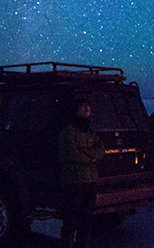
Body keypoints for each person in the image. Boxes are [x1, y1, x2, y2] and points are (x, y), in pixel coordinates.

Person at [59, 99, 105, 248]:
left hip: (90, 181)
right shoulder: (68, 131)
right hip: (74, 182)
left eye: (88, 105)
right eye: (82, 106)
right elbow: (72, 154)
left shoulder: (90, 131)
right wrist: (92, 157)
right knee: (71, 219)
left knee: (87, 220)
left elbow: (101, 150)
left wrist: (87, 153)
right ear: (76, 110)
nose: (87, 108)